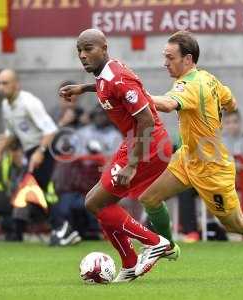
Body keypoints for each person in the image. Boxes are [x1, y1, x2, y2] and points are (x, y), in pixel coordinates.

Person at [137, 31, 243, 278]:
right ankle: (167, 246)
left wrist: (132, 96)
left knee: (236, 224)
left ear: (188, 58)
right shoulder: (207, 78)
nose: (165, 63)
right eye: (165, 57)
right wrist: (223, 113)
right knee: (149, 198)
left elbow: (167, 104)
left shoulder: (189, 85)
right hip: (188, 158)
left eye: (170, 57)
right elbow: (230, 101)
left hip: (212, 168)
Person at [59, 29, 173, 282]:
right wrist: (82, 88)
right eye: (79, 50)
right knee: (99, 203)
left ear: (104, 47)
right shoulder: (105, 75)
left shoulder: (119, 77)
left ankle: (155, 243)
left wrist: (132, 164)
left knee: (94, 203)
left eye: (88, 49)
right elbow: (105, 86)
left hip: (148, 143)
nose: (83, 55)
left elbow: (145, 120)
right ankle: (130, 264)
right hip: (135, 141)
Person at [0, 69, 58, 238]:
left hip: (45, 148)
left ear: (16, 85)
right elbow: (9, 134)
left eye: (5, 83)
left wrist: (40, 152)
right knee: (32, 191)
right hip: (30, 150)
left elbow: (50, 130)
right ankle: (58, 229)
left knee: (36, 190)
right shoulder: (6, 105)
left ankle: (61, 227)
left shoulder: (29, 102)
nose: (0, 87)